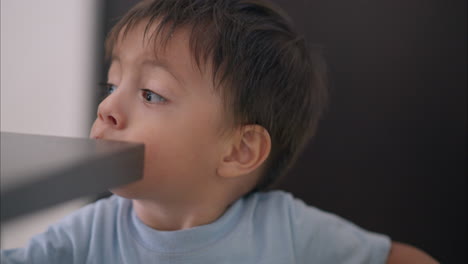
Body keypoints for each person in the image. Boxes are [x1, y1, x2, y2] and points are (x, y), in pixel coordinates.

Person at [1, 0, 438, 263]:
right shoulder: (87, 235)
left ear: (238, 150)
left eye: (151, 94)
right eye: (113, 85)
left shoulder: (285, 231)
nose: (107, 107)